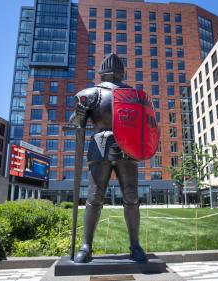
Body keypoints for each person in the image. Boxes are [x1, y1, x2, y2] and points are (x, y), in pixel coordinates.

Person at [69, 53, 147, 263]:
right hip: (100, 146)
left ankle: (135, 244)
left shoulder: (133, 95)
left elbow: (144, 125)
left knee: (131, 197)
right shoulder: (91, 93)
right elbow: (77, 122)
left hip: (127, 148)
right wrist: (80, 110)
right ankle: (86, 245)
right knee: (94, 197)